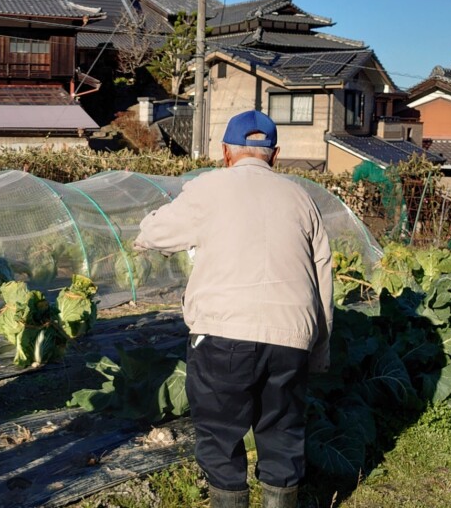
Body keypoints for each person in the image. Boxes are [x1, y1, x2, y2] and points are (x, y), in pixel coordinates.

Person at [134, 110, 333, 508]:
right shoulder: (300, 197)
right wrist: (319, 352)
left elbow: (152, 233)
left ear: (226, 152)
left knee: (220, 434)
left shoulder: (209, 188)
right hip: (291, 334)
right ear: (274, 155)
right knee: (282, 431)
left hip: (223, 333)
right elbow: (323, 278)